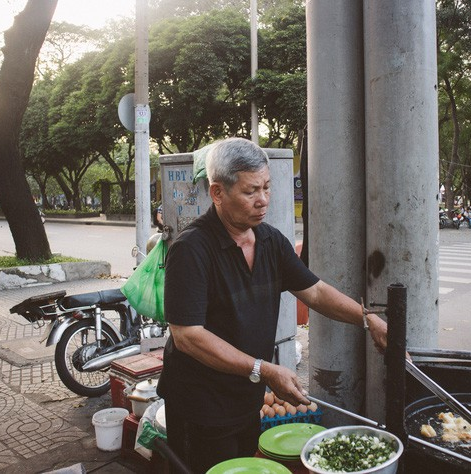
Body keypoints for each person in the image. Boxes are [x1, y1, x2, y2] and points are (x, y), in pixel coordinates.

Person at [156, 137, 388, 473]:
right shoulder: (191, 249)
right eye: (250, 191)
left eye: (266, 187)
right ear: (218, 193)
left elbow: (316, 292)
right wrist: (263, 370)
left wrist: (369, 320)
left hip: (244, 399)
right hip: (200, 405)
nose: (263, 200)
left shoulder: (270, 240)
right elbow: (187, 336)